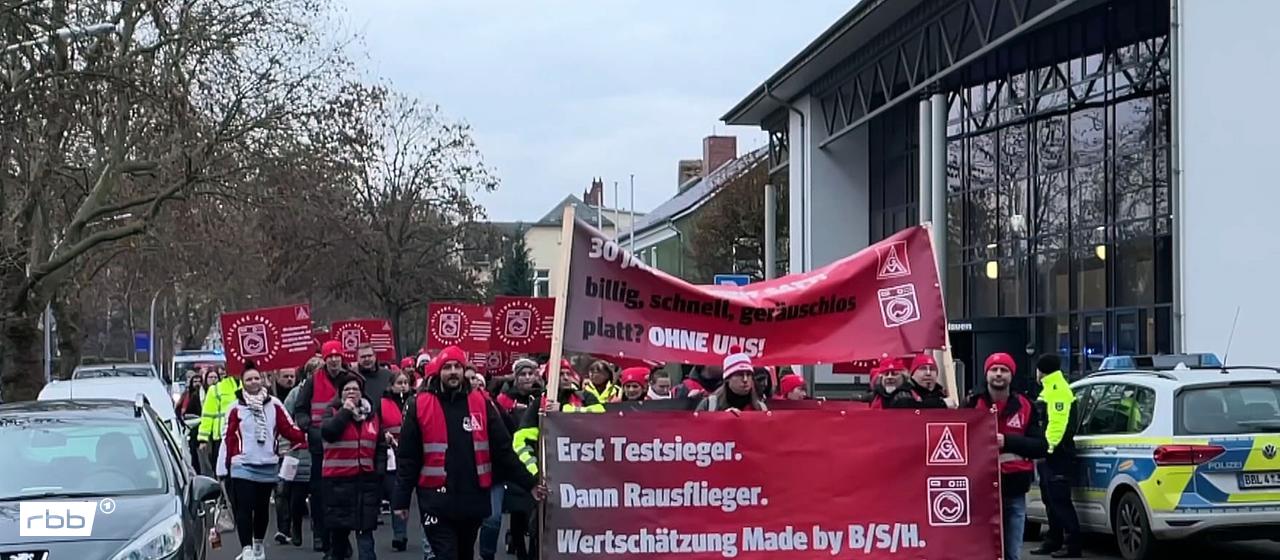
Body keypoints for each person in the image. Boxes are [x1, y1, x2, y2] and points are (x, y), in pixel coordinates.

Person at [393, 346, 541, 560]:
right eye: (447, 367)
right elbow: (408, 457)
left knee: (464, 553)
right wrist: (401, 499)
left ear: (464, 371)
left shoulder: (482, 403)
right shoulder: (419, 405)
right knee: (446, 554)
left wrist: (530, 483)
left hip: (472, 498)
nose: (453, 372)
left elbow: (503, 450)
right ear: (439, 371)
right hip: (435, 499)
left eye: (457, 367)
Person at [511, 360, 603, 557]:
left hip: (583, 487)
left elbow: (601, 418)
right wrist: (537, 476)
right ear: (549, 379)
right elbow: (521, 442)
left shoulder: (586, 398)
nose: (565, 378)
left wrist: (564, 411)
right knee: (544, 541)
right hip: (551, 488)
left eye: (567, 373)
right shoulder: (538, 405)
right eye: (560, 374)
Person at [217, 365, 309, 560]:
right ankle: (246, 549)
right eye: (249, 379)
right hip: (241, 464)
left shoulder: (274, 404)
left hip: (267, 464)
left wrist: (306, 437)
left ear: (262, 380)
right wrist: (224, 466)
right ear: (243, 383)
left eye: (256, 378)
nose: (253, 382)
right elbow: (227, 437)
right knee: (244, 507)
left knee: (261, 508)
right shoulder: (235, 408)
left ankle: (258, 544)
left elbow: (288, 428)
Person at [967, 353, 1047, 560]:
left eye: (1004, 370)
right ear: (986, 374)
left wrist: (1007, 442)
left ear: (1011, 375)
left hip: (1014, 488)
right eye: (994, 370)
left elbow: (1040, 446)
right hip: (979, 490)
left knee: (1011, 553)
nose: (998, 374)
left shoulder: (1026, 406)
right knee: (982, 552)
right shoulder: (971, 405)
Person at [292, 340, 355, 556]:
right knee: (320, 493)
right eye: (330, 357)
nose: (334, 360)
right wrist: (308, 427)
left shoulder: (351, 379)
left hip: (345, 444)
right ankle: (321, 534)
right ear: (325, 360)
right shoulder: (312, 381)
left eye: (337, 356)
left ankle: (342, 538)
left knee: (344, 495)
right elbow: (300, 409)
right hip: (320, 444)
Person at [321, 374, 387, 560]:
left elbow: (380, 445)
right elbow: (329, 432)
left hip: (366, 483)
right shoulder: (332, 412)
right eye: (347, 389)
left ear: (362, 393)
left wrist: (379, 471)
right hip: (338, 483)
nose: (351, 392)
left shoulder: (372, 416)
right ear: (340, 394)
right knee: (339, 536)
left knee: (366, 533)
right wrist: (345, 411)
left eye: (355, 389)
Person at [1031, 354, 1081, 558]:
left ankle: (1072, 546)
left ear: (1040, 370)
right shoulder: (1051, 388)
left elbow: (1057, 425)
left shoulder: (1057, 390)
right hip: (1051, 454)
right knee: (1050, 500)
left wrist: (1047, 449)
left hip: (1058, 455)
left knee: (1060, 501)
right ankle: (1054, 540)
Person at [277, 358, 322, 548]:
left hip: (321, 451)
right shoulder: (296, 394)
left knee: (319, 496)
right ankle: (295, 527)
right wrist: (284, 446)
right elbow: (284, 421)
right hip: (299, 451)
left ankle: (319, 535)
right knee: (297, 496)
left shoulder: (330, 392)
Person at [380, 370, 413, 551]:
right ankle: (400, 534)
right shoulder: (383, 403)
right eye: (399, 383)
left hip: (412, 453)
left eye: (405, 383)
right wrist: (384, 435)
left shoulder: (415, 402)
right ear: (391, 386)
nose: (403, 386)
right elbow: (377, 424)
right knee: (395, 493)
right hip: (391, 453)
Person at [199, 360, 244, 478]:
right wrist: (203, 438)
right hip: (220, 437)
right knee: (222, 471)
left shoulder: (247, 386)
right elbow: (207, 415)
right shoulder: (216, 389)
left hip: (243, 436)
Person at [696, 348, 768, 413]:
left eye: (749, 375)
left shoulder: (761, 408)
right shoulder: (710, 405)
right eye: (739, 375)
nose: (745, 379)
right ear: (728, 378)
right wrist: (723, 418)